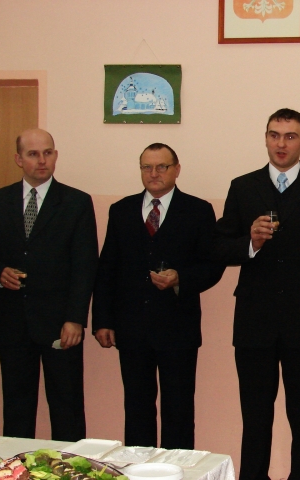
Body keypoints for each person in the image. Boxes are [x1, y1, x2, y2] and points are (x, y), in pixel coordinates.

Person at [213, 108, 300, 480]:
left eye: (290, 136)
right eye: (274, 135)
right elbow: (219, 247)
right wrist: (250, 243)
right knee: (255, 417)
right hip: (255, 322)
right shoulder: (243, 186)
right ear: (265, 138)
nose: (281, 143)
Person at [92, 143, 224, 449]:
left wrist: (181, 279)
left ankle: (179, 469)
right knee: (137, 410)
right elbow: (107, 267)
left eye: (161, 166)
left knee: (179, 412)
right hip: (131, 329)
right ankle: (139, 468)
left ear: (176, 170)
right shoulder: (121, 210)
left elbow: (212, 266)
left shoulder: (198, 210)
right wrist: (102, 320)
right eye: (147, 167)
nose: (154, 173)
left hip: (178, 329)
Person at [0, 128, 98, 441]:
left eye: (48, 153)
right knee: (16, 408)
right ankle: (16, 465)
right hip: (13, 322)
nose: (42, 160)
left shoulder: (76, 202)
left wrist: (75, 318)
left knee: (67, 406)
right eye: (33, 154)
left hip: (61, 324)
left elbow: (85, 265)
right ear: (18, 159)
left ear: (56, 155)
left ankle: (71, 464)